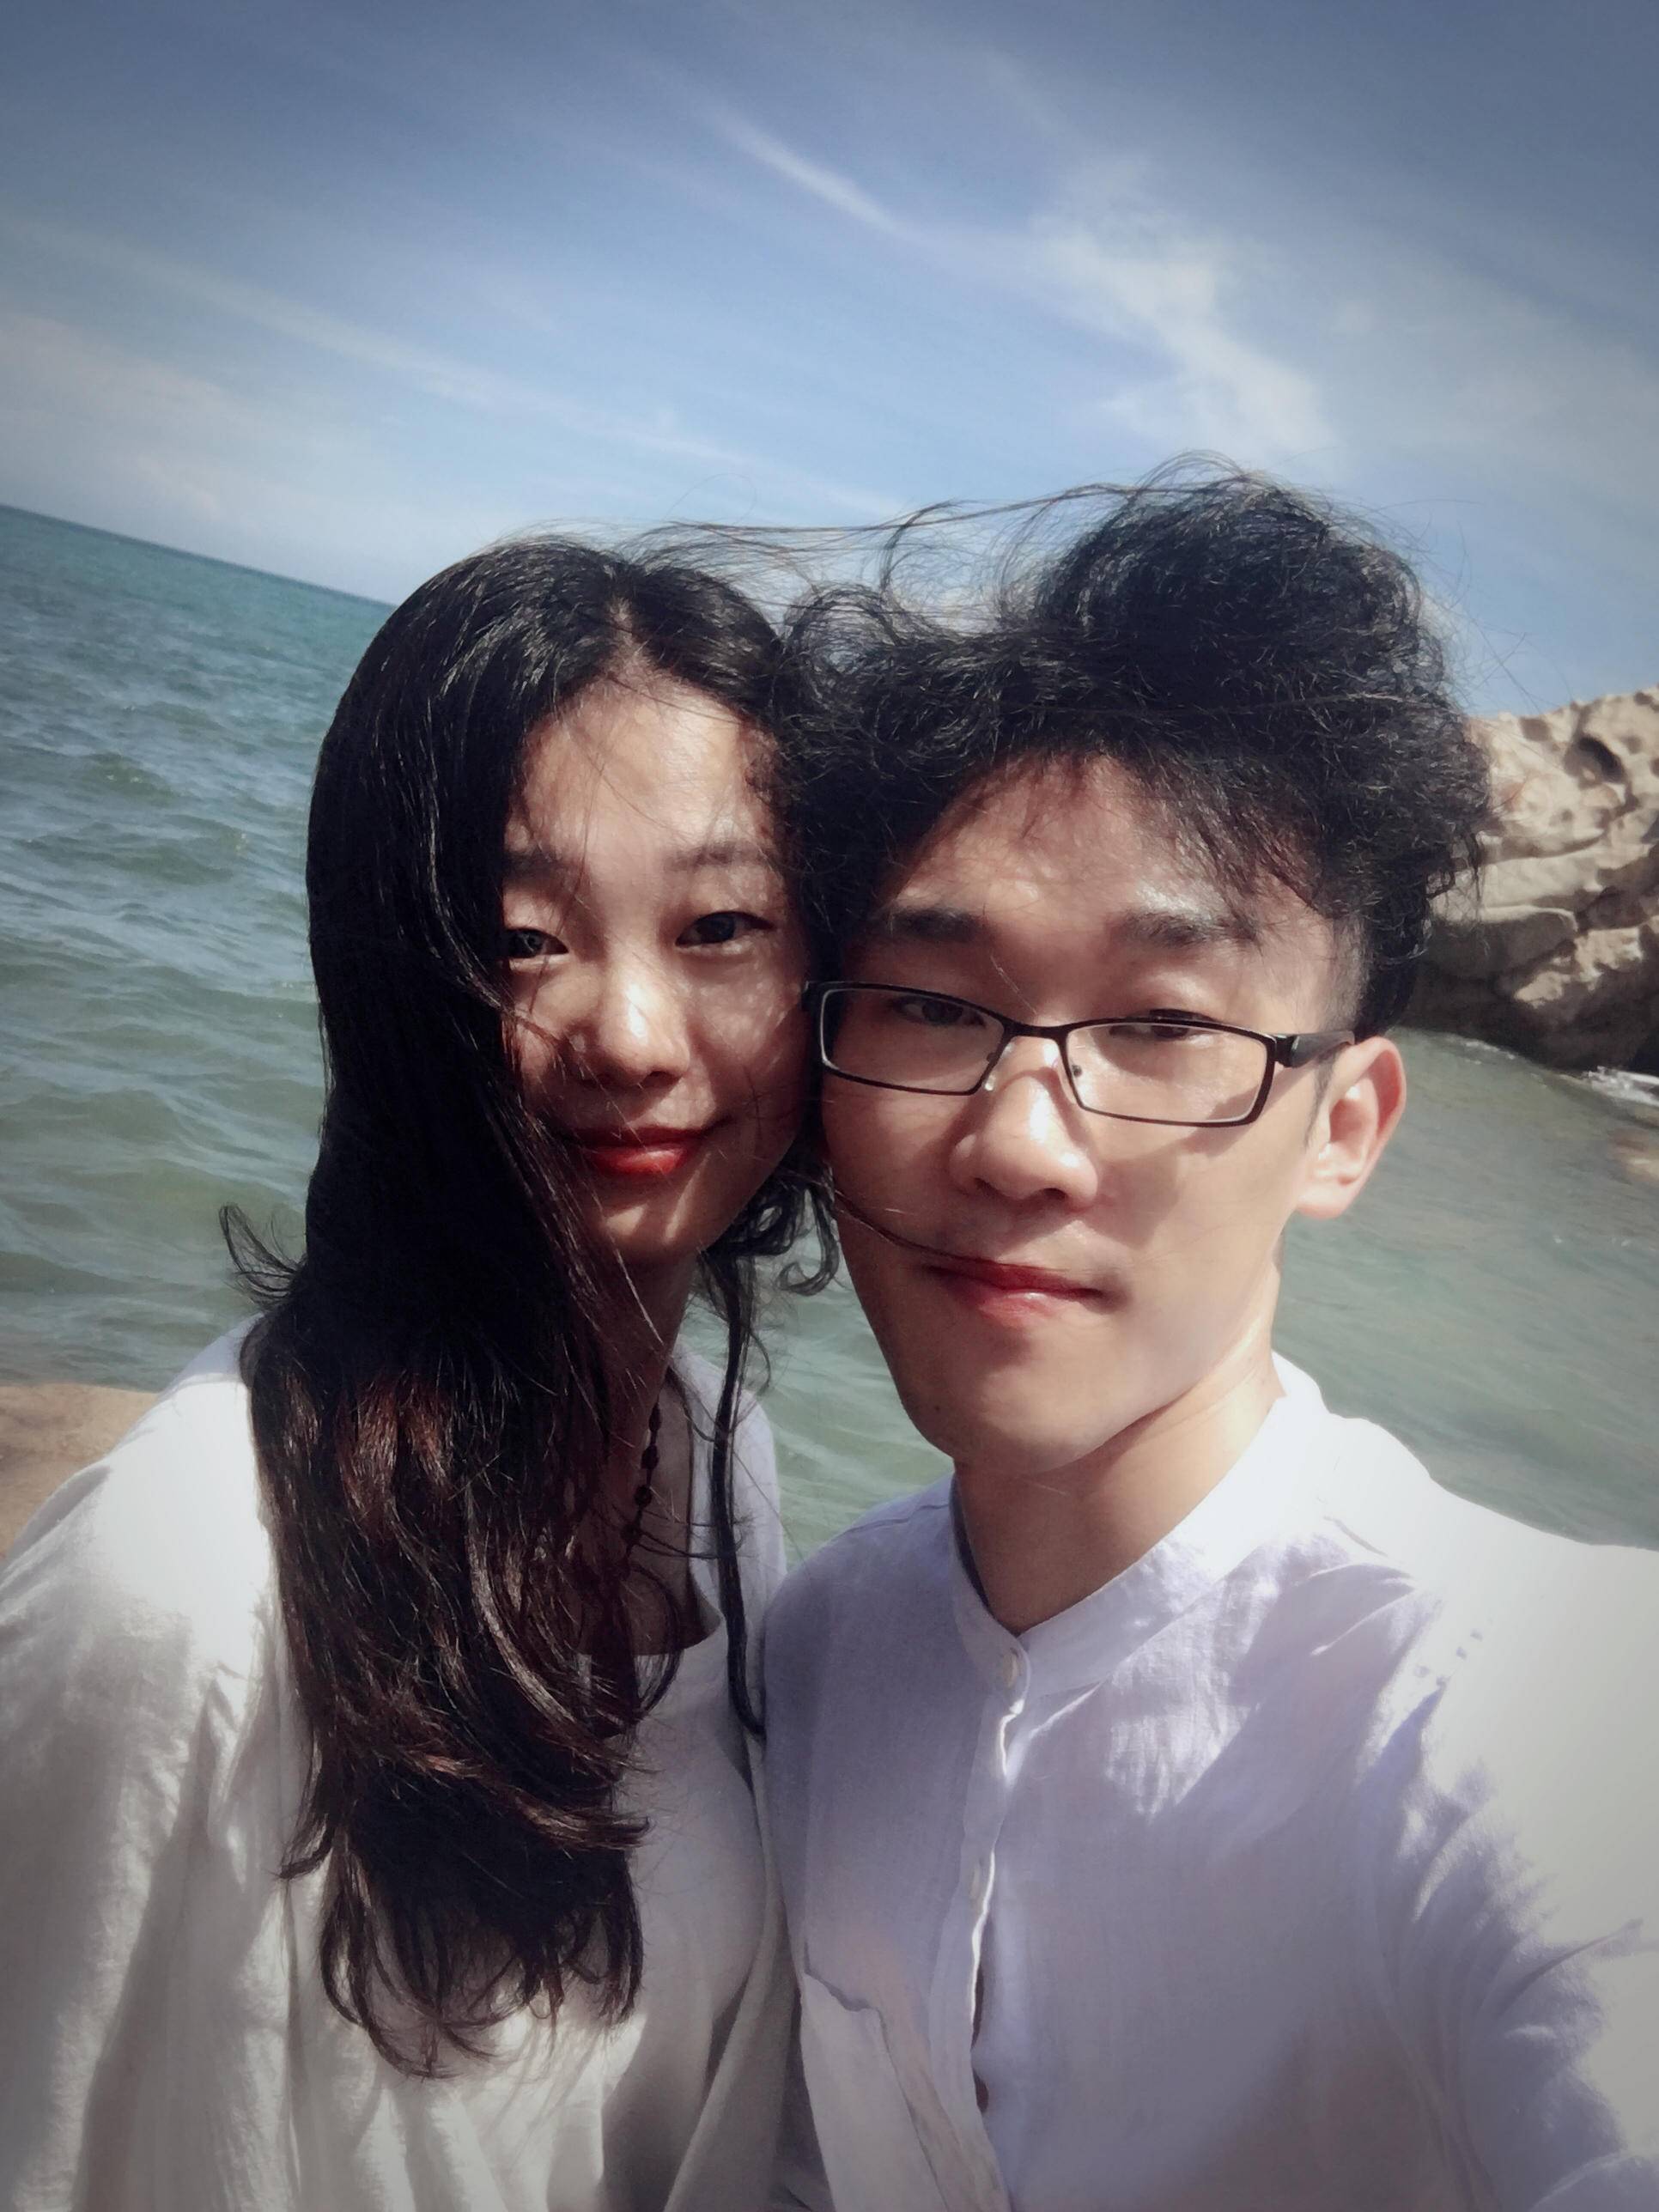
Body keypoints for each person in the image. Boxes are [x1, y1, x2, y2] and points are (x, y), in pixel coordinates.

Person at [763, 472, 1659, 2209]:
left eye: (1164, 1024)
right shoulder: (823, 1651)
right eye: (934, 1005)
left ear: (1345, 1128)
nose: (1022, 1141)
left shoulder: (1522, 1717)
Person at [0, 538, 827, 2210]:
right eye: (523, 940)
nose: (634, 1033)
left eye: (721, 924)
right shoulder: (184, 1594)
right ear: (388, 975)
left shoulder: (717, 1455)